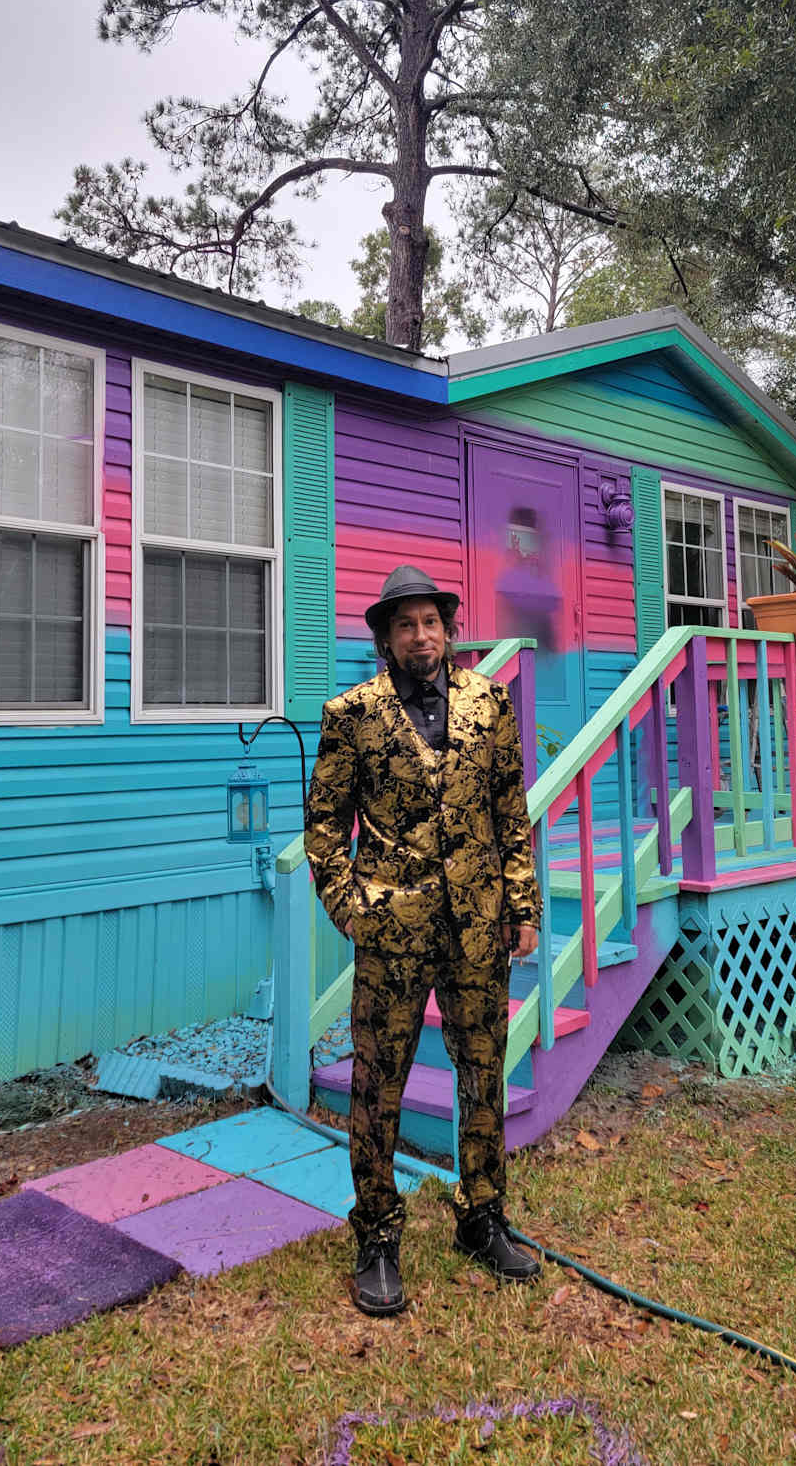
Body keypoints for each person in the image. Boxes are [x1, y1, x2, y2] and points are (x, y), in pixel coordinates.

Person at [305, 564, 544, 1316]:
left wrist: (522, 902)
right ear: (385, 635)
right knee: (379, 1089)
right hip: (393, 936)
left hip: (477, 930)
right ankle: (377, 1234)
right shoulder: (352, 714)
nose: (421, 635)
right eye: (405, 624)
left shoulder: (489, 703)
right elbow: (322, 829)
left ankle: (482, 1215)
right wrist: (355, 912)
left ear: (449, 629)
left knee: (483, 1075)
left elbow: (511, 809)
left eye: (432, 621)